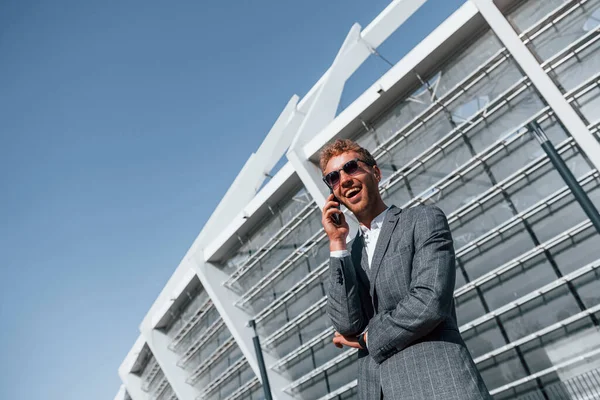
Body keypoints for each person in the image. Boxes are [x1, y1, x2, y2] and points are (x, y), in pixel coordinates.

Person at [320, 139, 491, 399]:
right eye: (333, 177)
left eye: (352, 168)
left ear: (375, 173)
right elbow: (346, 324)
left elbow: (428, 302)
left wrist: (367, 339)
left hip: (438, 387)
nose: (343, 180)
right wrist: (337, 242)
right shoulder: (347, 253)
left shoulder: (422, 220)